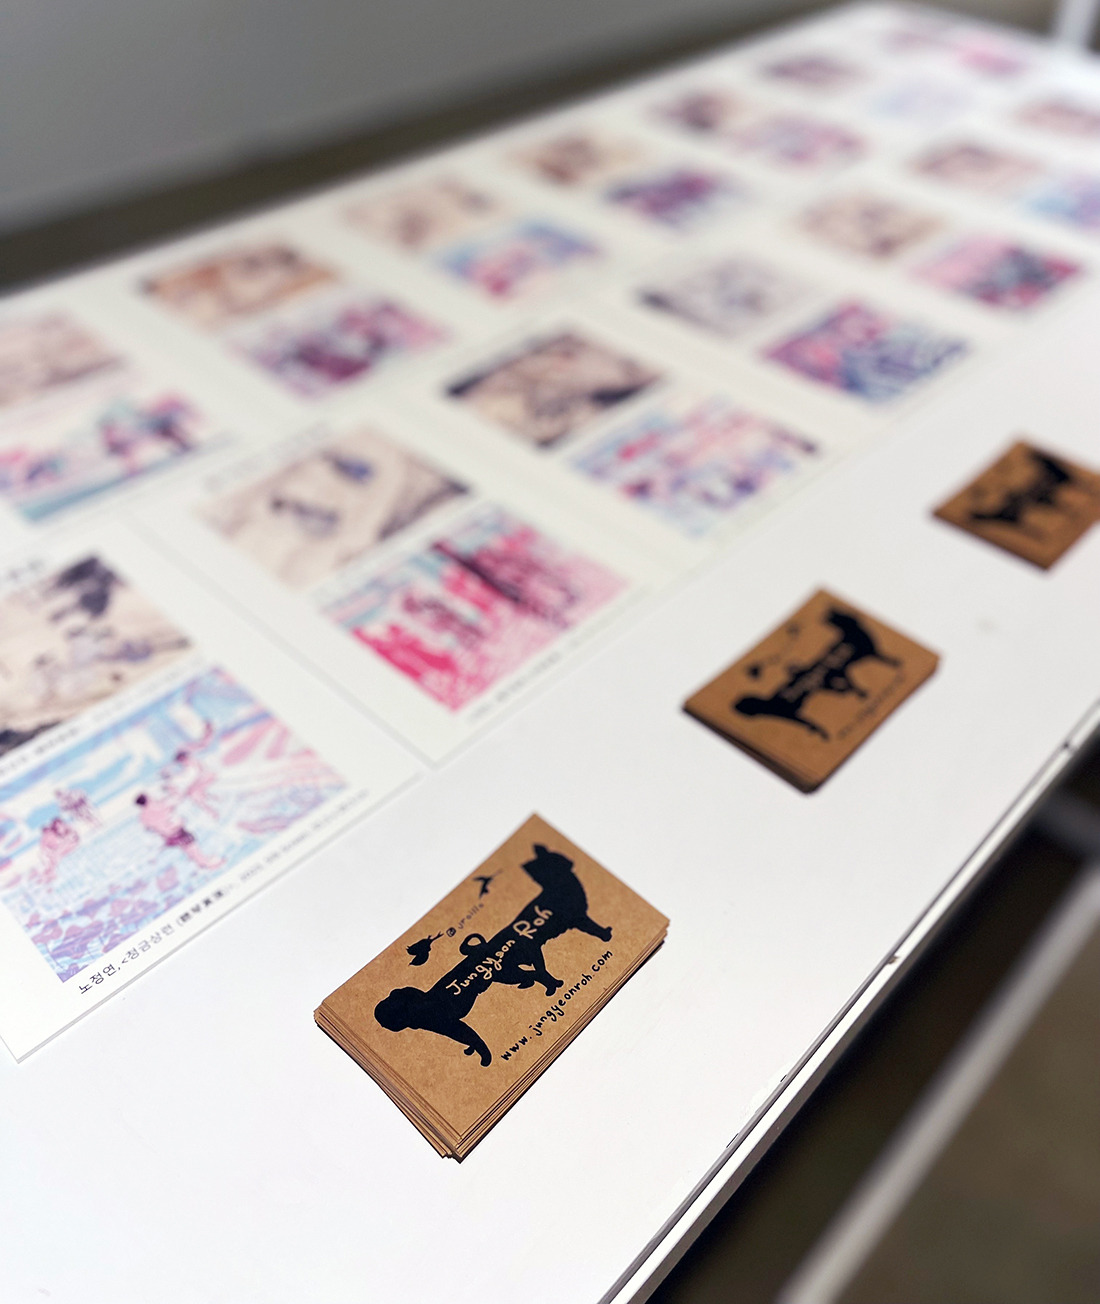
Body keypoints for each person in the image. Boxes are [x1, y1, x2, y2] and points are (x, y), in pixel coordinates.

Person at [134, 793, 222, 869]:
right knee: (192, 847)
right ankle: (206, 863)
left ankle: (200, 862)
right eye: (149, 797)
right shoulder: (158, 805)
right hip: (177, 830)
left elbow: (148, 828)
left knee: (187, 849)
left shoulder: (143, 817)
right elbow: (176, 800)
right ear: (147, 799)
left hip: (168, 836)